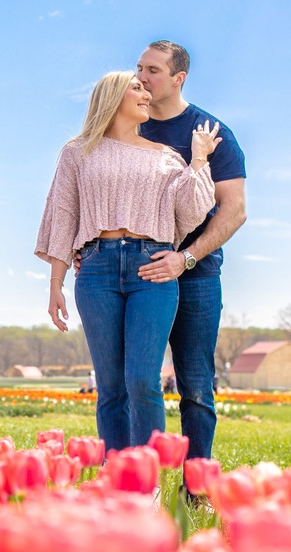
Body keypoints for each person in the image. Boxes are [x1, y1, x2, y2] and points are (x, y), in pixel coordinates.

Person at [35, 71, 218, 452]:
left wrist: (199, 157)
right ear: (113, 96)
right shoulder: (77, 152)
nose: (146, 94)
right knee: (110, 386)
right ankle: (115, 476)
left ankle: (146, 475)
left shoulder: (167, 157)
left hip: (151, 269)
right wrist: (55, 283)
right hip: (95, 269)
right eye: (137, 88)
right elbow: (64, 214)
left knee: (142, 380)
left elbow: (191, 210)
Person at [133, 40, 247, 476]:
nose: (141, 77)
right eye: (139, 68)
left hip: (195, 276)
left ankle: (196, 489)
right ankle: (135, 485)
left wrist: (186, 259)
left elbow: (235, 210)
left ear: (179, 78)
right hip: (136, 270)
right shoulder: (127, 125)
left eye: (153, 70)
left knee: (196, 386)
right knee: (133, 382)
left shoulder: (212, 133)